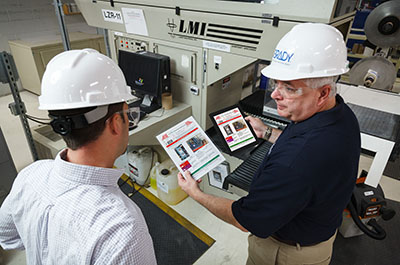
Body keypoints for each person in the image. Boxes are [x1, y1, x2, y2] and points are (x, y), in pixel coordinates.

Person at [178, 23, 361, 265]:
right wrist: (267, 133)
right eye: (276, 84)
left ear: (323, 93)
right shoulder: (339, 114)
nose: (275, 95)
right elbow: (302, 142)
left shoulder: (297, 162)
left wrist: (196, 194)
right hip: (316, 233)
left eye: (289, 88)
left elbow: (246, 220)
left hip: (286, 254)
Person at [0, 49, 157, 265]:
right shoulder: (122, 229)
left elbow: (7, 237)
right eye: (128, 114)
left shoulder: (31, 175)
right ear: (115, 123)